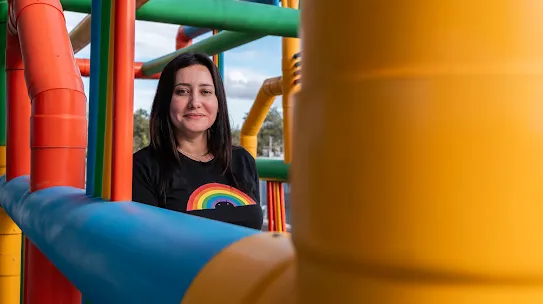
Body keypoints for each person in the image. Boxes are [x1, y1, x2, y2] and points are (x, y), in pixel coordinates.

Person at [132, 52, 263, 230]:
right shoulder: (143, 166)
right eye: (182, 91)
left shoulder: (242, 160)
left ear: (218, 102)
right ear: (167, 101)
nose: (195, 102)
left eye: (205, 92)